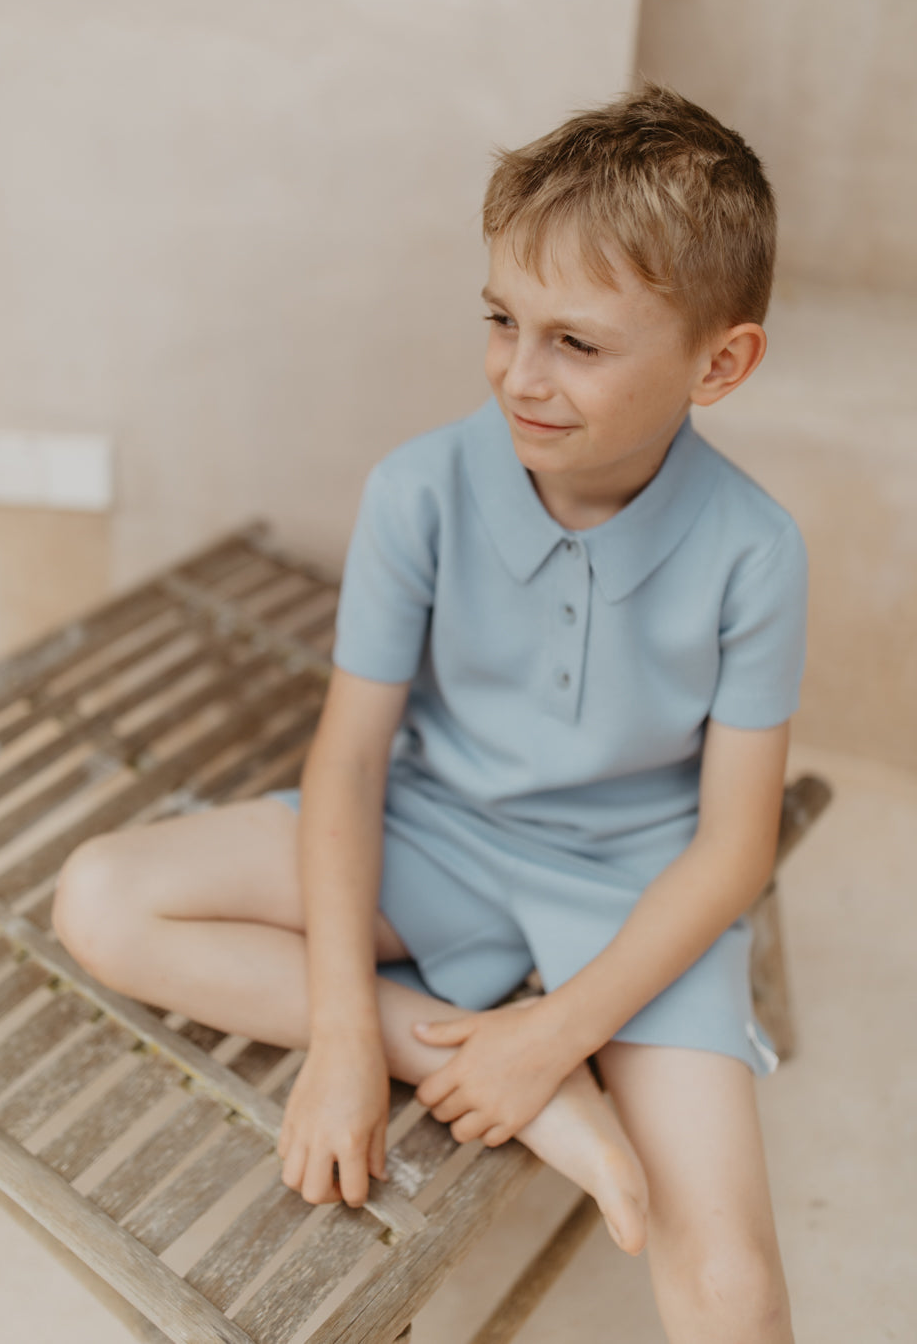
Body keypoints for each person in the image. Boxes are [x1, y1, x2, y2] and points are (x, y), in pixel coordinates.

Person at [52, 83, 808, 1342]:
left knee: (732, 1288)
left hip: (634, 884)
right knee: (101, 895)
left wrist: (558, 1031)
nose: (520, 373)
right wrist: (349, 1037)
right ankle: (461, 1055)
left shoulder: (756, 553)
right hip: (436, 831)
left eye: (577, 343)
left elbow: (732, 848)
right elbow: (347, 764)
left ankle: (531, 1060)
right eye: (503, 320)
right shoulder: (419, 489)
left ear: (718, 363)